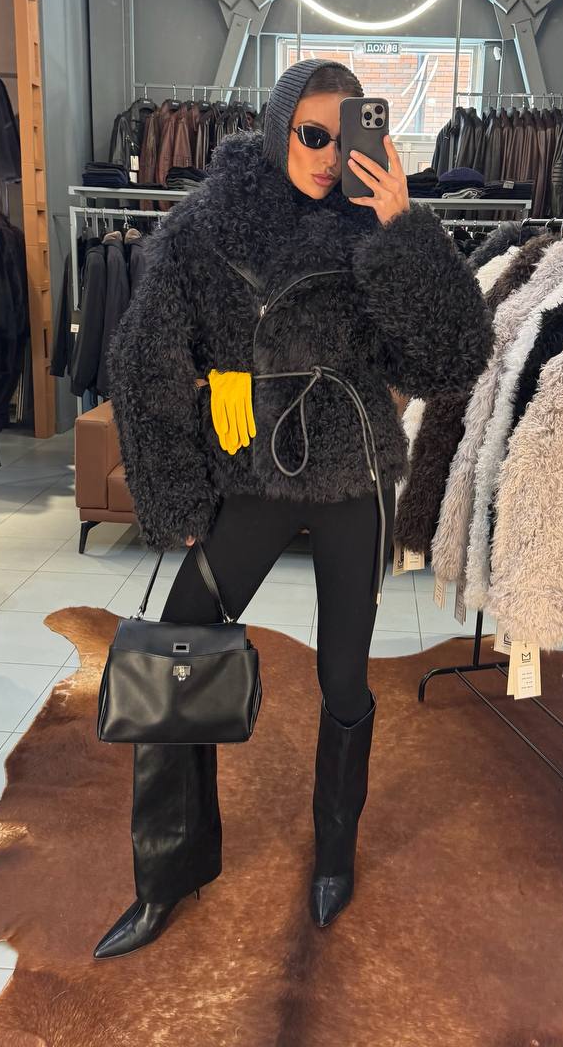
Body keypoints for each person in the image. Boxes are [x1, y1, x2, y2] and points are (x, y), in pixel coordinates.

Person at [94, 59, 492, 960]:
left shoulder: (375, 225)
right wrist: (179, 482)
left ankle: (334, 856)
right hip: (253, 468)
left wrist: (405, 231)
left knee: (345, 678)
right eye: (311, 135)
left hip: (353, 469)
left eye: (341, 137)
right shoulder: (208, 225)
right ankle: (166, 874)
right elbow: (145, 359)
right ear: (278, 130)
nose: (326, 156)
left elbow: (453, 359)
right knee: (176, 649)